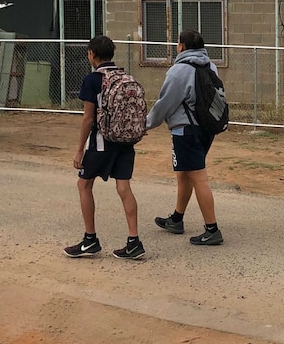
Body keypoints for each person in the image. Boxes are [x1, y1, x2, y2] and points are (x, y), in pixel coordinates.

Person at [63, 35, 145, 259]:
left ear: (92, 54)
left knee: (84, 184)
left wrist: (80, 148)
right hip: (125, 141)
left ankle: (90, 239)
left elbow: (88, 118)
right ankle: (133, 241)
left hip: (101, 142)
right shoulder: (125, 76)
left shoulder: (92, 80)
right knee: (124, 187)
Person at [147, 29, 224, 246]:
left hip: (186, 131)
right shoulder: (210, 66)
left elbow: (165, 103)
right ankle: (176, 219)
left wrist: (146, 124)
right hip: (206, 129)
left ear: (181, 46)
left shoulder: (178, 70)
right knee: (185, 174)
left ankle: (212, 229)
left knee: (198, 177)